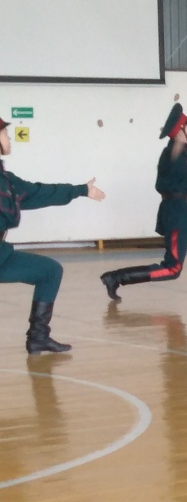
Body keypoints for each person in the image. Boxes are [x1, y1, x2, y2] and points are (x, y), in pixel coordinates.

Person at [99, 103, 187, 301]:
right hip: (174, 213)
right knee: (172, 269)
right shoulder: (171, 156)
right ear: (180, 131)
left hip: (183, 211)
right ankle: (115, 278)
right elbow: (174, 160)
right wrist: (176, 145)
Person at [0, 115, 106, 354]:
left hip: (1, 255)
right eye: (5, 133)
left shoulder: (5, 180)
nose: (9, 137)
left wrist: (81, 190)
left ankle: (38, 337)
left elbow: (38, 192)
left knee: (50, 271)